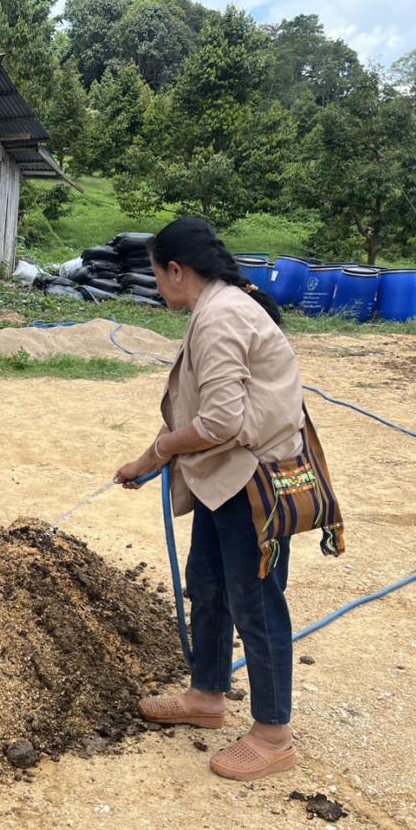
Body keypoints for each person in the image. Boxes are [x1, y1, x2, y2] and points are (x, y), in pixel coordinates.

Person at [113, 217, 305, 782]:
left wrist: (159, 451)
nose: (157, 286)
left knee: (257, 602)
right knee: (210, 585)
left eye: (157, 275)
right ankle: (206, 696)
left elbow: (221, 420)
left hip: (252, 482)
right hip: (221, 480)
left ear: (177, 270)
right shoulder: (217, 306)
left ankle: (274, 736)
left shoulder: (221, 318)